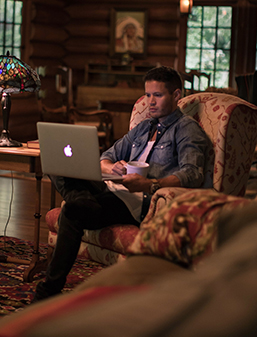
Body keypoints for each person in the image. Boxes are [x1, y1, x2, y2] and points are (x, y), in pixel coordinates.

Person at [33, 66, 213, 302]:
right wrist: (113, 167)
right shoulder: (143, 127)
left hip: (137, 201)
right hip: (113, 188)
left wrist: (150, 184)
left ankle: (49, 290)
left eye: (157, 95)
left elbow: (192, 174)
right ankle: (83, 200)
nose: (150, 101)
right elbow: (105, 157)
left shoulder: (186, 129)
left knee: (72, 211)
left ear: (176, 95)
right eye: (147, 95)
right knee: (59, 167)